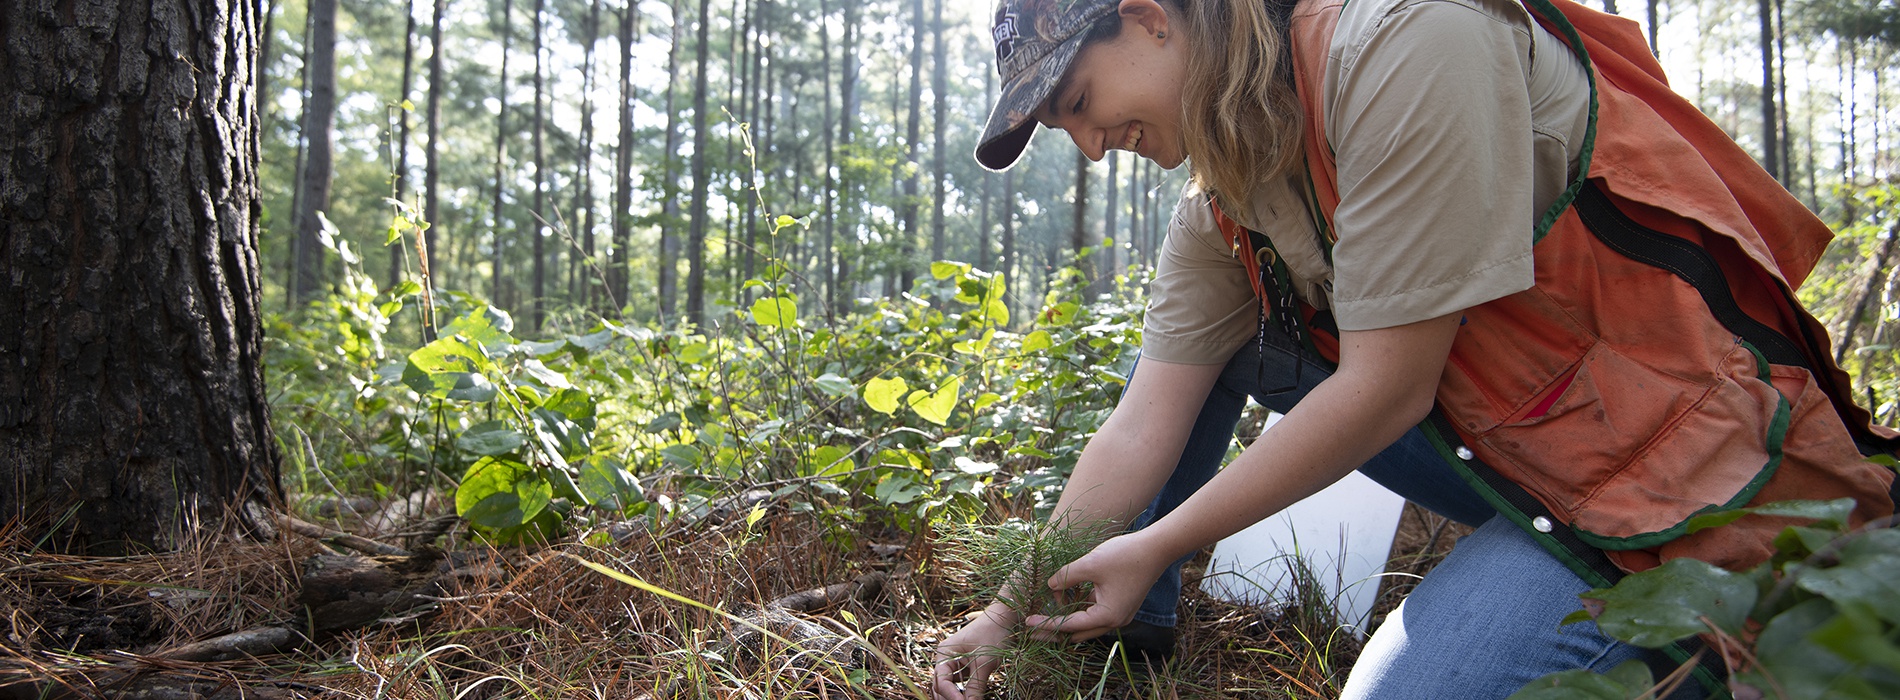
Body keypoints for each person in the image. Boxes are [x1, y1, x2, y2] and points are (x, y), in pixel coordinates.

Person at [930, 0, 1900, 698]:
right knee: (1227, 351)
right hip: (1523, 454)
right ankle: (1122, 633)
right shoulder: (1226, 203)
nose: (1092, 148)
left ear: (1148, 17)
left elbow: (1388, 390)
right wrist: (1011, 602)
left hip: (1677, 464)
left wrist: (1158, 541)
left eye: (1078, 102)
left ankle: (1709, 638)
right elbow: (1142, 421)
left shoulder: (1404, 38)